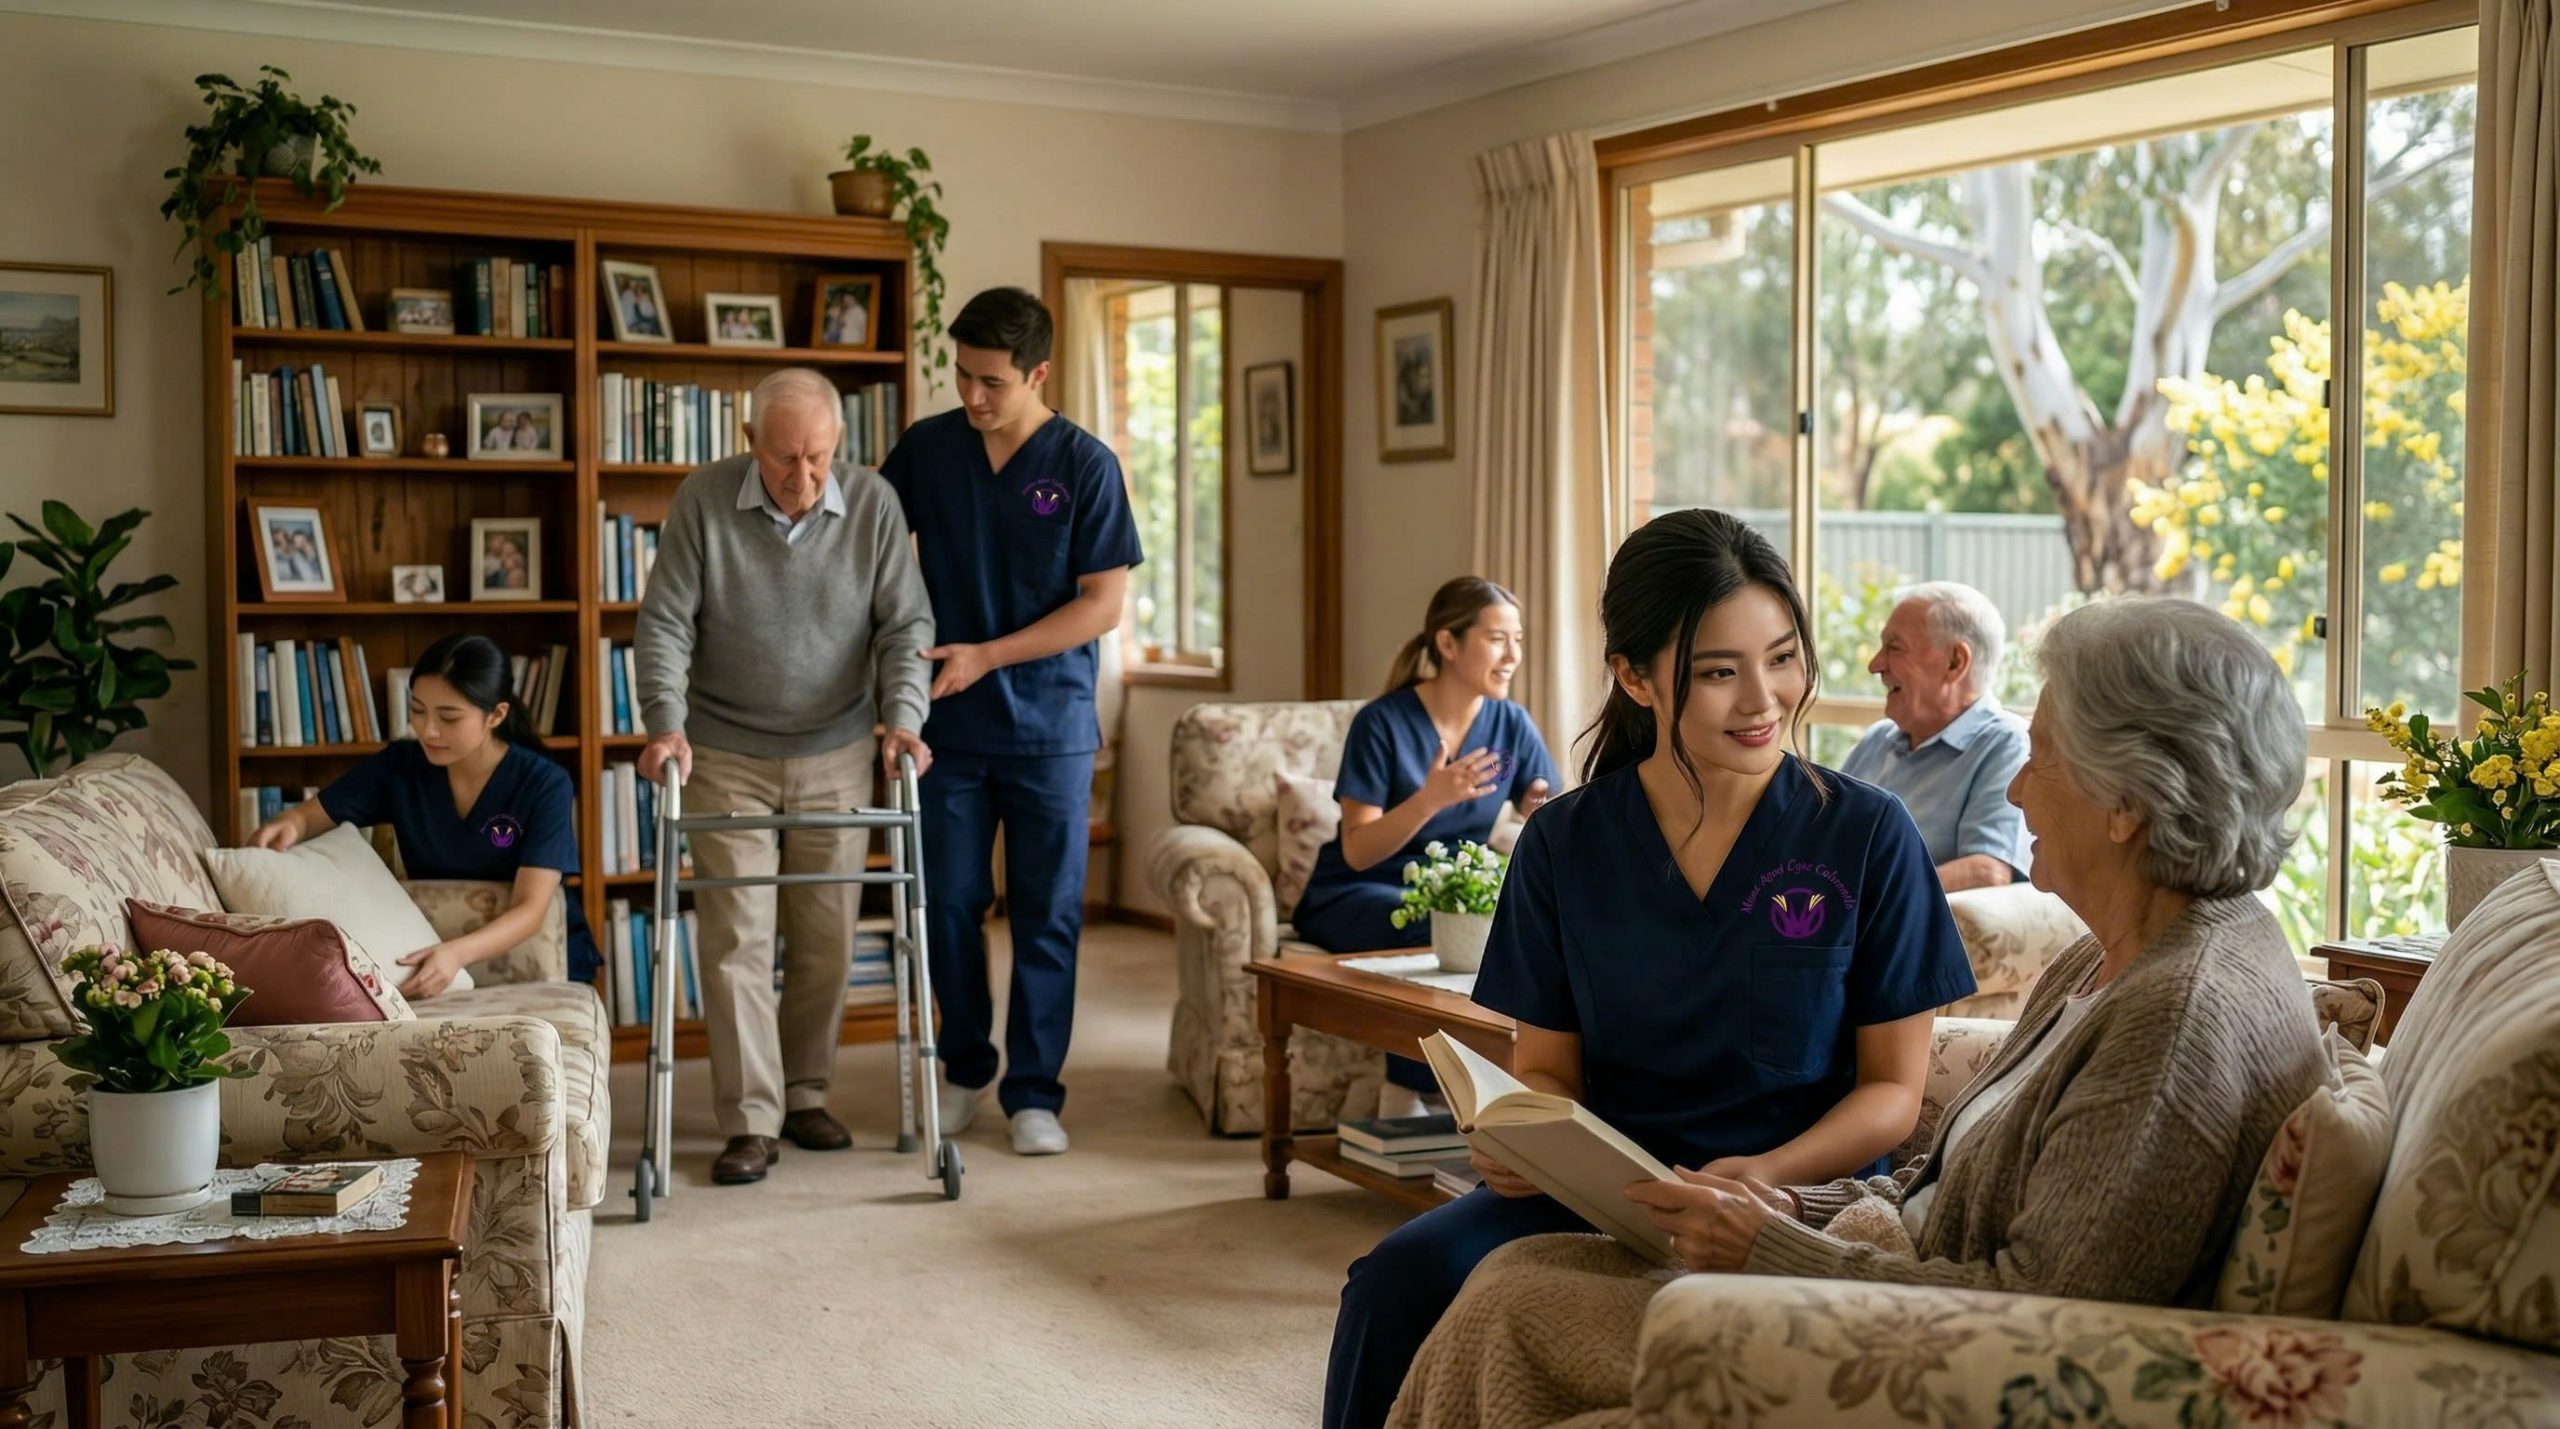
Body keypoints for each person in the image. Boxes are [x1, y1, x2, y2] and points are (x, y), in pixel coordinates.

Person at [1389, 596, 2331, 1429]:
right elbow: (1940, 1186)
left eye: (2039, 756)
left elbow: (2042, 1310)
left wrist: (1768, 1238)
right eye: (1719, 669)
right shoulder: (2110, 954)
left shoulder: (2174, 1024)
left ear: (2127, 803)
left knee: (1509, 1309)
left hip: (1900, 1332)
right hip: (1853, 1252)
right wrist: (1795, 1206)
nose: (2012, 787)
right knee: (1493, 1279)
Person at [1322, 509, 1977, 1429]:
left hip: (1793, 1200)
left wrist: (1763, 1178)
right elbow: (1546, 1070)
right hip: (1604, 1193)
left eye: (1782, 657)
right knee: (1393, 1283)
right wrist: (1520, 1139)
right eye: (1718, 672)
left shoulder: (1867, 834)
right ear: (1633, 677)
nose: (1764, 699)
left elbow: (1893, 1093)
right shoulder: (1564, 843)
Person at [635, 365, 936, 1187]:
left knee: (827, 935)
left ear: (838, 446)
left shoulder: (872, 503)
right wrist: (666, 724)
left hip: (837, 746)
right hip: (724, 749)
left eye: (818, 458)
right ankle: (751, 1120)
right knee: (737, 935)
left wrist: (903, 718)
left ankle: (806, 1092)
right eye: (783, 459)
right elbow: (664, 622)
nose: (803, 478)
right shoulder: (704, 500)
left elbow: (905, 626)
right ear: (748, 444)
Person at [880, 286, 1142, 1158]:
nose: (973, 397)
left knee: (1048, 912)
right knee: (949, 905)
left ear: (1038, 372)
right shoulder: (927, 449)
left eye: (991, 381)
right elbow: (874, 559)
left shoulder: (1085, 465)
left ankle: (1035, 1091)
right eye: (961, 376)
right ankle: (965, 1069)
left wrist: (987, 654)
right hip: (946, 728)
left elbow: (1102, 606)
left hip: (1051, 730)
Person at [1292, 576, 1556, 1114]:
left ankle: (1507, 1089)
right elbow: (1358, 851)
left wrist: (1540, 811)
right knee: (1443, 928)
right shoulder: (1382, 723)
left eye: (1518, 639)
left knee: (1501, 926)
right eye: (1497, 639)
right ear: (1448, 643)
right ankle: (1408, 1088)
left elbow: (1549, 804)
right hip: (1356, 891)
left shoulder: (1512, 723)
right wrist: (1430, 799)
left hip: (1449, 893)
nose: (1513, 655)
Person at [249, 632, 600, 991]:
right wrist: (286, 826)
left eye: (449, 718)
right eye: (417, 710)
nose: (428, 730)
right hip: (426, 952)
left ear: (496, 715)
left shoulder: (544, 783)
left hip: (537, 959)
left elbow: (530, 909)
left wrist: (454, 954)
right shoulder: (400, 766)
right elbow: (307, 817)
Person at [1841, 581, 2034, 889]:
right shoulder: (1877, 740)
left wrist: (1863, 897)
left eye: (1894, 648)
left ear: (1955, 662)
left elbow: (1989, 870)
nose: (1875, 665)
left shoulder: (2007, 744)